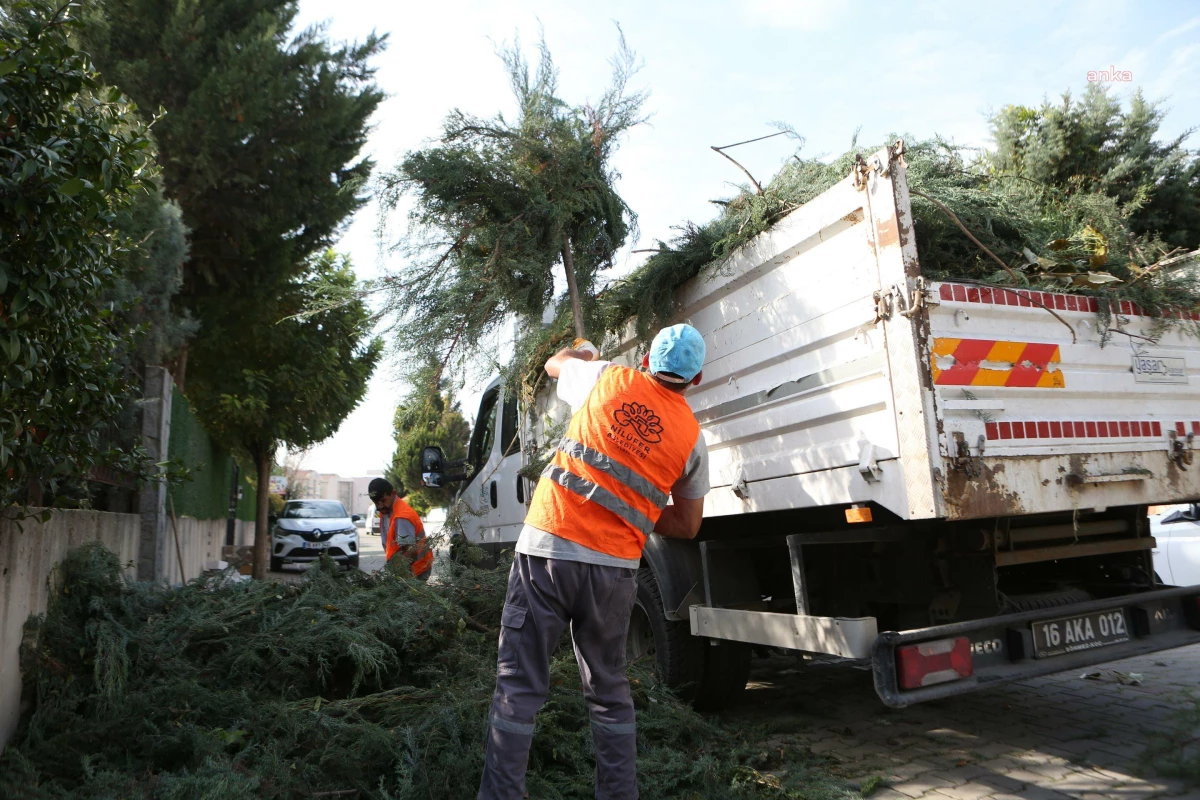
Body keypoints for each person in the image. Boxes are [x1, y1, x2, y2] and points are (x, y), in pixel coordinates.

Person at [478, 324, 711, 800]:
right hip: (614, 571)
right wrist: (637, 511)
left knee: (518, 687)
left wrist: (581, 350)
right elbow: (687, 525)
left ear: (645, 360)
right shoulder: (691, 439)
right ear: (697, 379)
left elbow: (554, 365)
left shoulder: (606, 377)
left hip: (547, 550)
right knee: (609, 693)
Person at [368, 478, 433, 580]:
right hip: (405, 569)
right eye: (376, 502)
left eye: (383, 500)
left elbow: (410, 551)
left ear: (393, 493)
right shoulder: (386, 511)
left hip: (416, 570)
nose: (380, 506)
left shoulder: (402, 517)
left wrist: (399, 575)